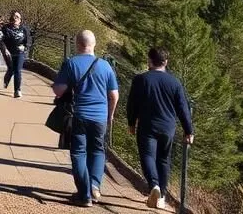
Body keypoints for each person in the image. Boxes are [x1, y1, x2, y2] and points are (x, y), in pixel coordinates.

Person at [53, 30, 120, 208]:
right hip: (100, 117)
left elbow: (59, 90)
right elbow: (114, 95)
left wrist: (63, 86)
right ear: (94, 44)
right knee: (98, 151)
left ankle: (84, 194)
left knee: (78, 153)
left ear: (77, 44)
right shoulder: (106, 66)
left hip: (79, 115)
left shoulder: (71, 63)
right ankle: (94, 185)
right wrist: (110, 114)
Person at [127, 47, 194, 210]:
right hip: (168, 128)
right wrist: (188, 130)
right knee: (164, 160)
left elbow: (132, 104)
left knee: (147, 156)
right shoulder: (175, 82)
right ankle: (162, 197)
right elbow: (183, 109)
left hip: (147, 126)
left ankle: (154, 186)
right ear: (166, 62)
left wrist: (131, 122)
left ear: (149, 61)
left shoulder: (141, 79)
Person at [1, 10, 32, 98]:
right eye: (14, 16)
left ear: (20, 19)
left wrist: (25, 47)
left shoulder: (24, 29)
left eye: (17, 17)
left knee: (18, 70)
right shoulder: (6, 28)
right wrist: (5, 49)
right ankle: (6, 80)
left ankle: (17, 90)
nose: (15, 19)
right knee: (11, 69)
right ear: (11, 17)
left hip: (20, 53)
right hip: (9, 53)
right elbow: (1, 40)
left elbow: (28, 41)